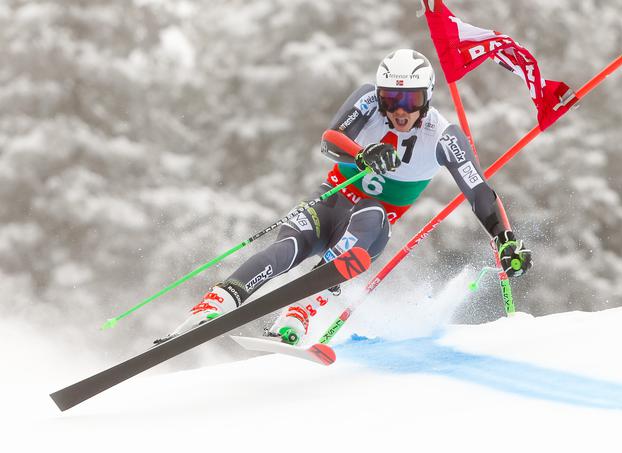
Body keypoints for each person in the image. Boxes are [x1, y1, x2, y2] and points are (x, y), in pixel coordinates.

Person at [162, 49, 532, 345]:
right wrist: (361, 153)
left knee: (369, 219)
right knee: (289, 247)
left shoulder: (444, 135)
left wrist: (505, 240)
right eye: (391, 97)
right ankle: (220, 300)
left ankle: (300, 313)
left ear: (427, 96)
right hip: (331, 201)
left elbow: (479, 190)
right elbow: (329, 139)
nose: (400, 109)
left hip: (370, 225)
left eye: (411, 98)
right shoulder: (368, 101)